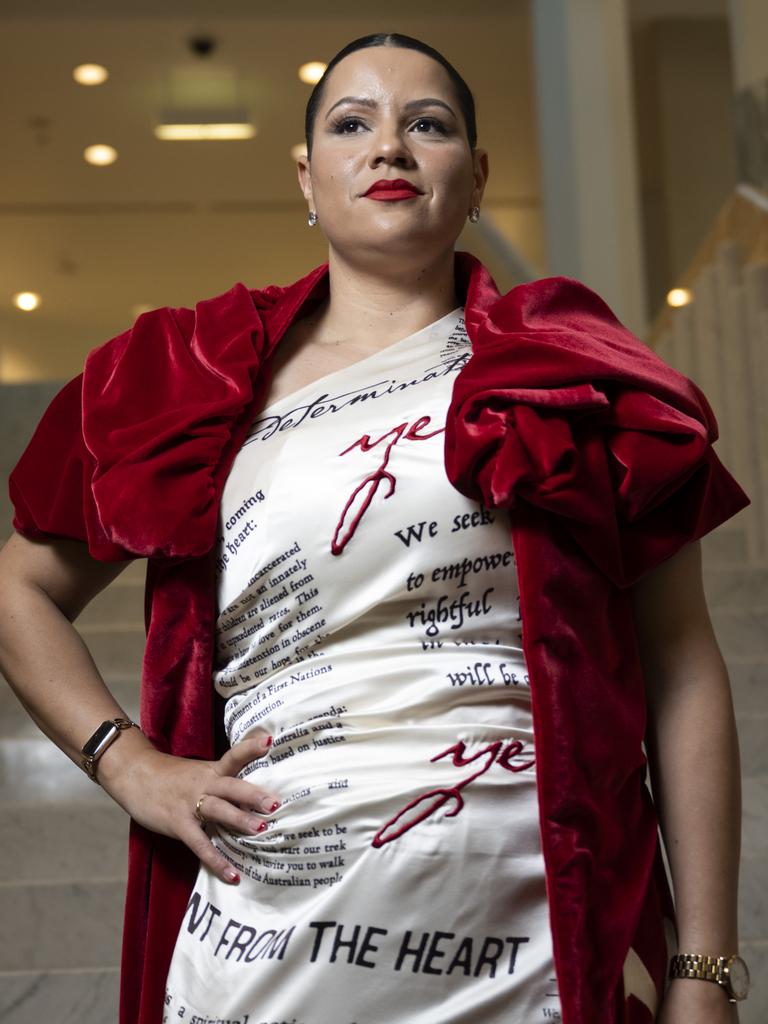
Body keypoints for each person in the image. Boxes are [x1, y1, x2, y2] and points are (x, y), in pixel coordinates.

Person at [0, 31, 752, 1024]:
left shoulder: (576, 375)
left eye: (426, 125)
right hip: (266, 943)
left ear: (475, 176)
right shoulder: (189, 376)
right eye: (352, 124)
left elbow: (684, 667)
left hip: (540, 947)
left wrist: (706, 966)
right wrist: (129, 762)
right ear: (307, 176)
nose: (389, 147)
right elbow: (20, 588)